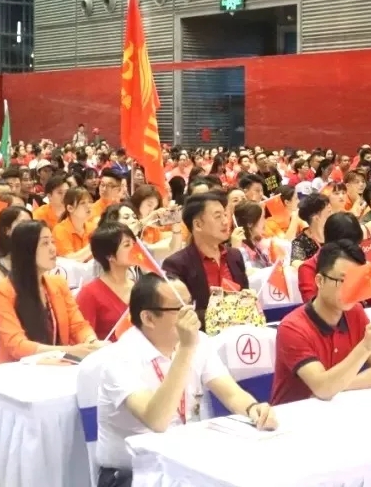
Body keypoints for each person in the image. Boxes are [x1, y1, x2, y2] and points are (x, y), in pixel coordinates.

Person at [97, 274, 277, 487]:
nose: (190, 313)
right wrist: (186, 348)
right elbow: (157, 421)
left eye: (190, 303)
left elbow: (231, 393)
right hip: (133, 473)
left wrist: (253, 409)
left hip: (185, 462)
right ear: (148, 318)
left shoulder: (199, 341)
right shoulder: (119, 357)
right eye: (180, 308)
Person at [270, 240, 371, 405]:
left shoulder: (355, 312)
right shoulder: (292, 327)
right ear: (320, 281)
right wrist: (365, 347)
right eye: (343, 281)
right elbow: (322, 388)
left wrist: (340, 385)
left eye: (356, 281)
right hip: (294, 415)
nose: (351, 289)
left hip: (336, 409)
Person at [0, 220, 102, 363]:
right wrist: (70, 351)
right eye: (45, 243)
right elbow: (17, 346)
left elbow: (78, 325)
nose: (53, 249)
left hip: (57, 366)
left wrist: (92, 342)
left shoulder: (58, 283)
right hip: (16, 369)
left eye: (52, 242)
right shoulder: (2, 291)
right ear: (27, 250)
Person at [163, 192, 248, 324]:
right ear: (198, 225)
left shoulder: (234, 256)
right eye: (218, 216)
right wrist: (225, 313)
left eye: (225, 215)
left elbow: (246, 297)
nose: (225, 222)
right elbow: (180, 315)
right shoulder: (177, 265)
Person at [76, 222, 137, 340]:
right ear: (110, 256)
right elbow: (82, 338)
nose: (134, 249)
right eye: (127, 245)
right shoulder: (89, 293)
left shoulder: (139, 288)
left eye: (134, 244)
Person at [0, 205, 31, 280]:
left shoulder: (36, 255)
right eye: (23, 223)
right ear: (7, 230)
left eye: (31, 223)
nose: (29, 228)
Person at [52, 187, 94, 262]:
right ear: (70, 208)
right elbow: (70, 261)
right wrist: (95, 244)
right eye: (82, 203)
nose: (88, 206)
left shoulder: (93, 227)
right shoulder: (60, 230)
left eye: (90, 202)